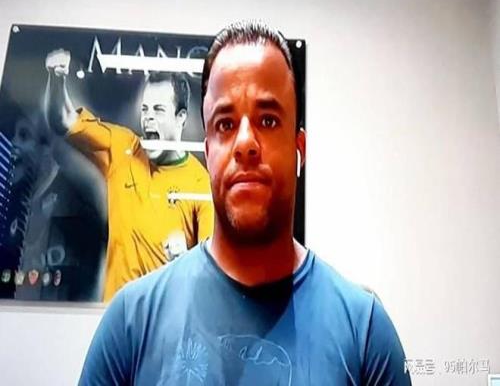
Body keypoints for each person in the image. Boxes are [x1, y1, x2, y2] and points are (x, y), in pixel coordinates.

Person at [78, 20, 412, 385]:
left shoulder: (364, 333)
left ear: (299, 150)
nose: (245, 143)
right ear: (208, 153)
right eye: (225, 124)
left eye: (268, 120)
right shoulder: (130, 323)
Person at [44, 51, 214, 301]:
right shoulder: (123, 147)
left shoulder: (200, 184)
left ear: (181, 118)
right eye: (145, 109)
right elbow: (62, 119)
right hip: (115, 314)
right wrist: (56, 78)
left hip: (163, 317)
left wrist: (185, 261)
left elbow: (210, 279)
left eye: (158, 110)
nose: (148, 118)